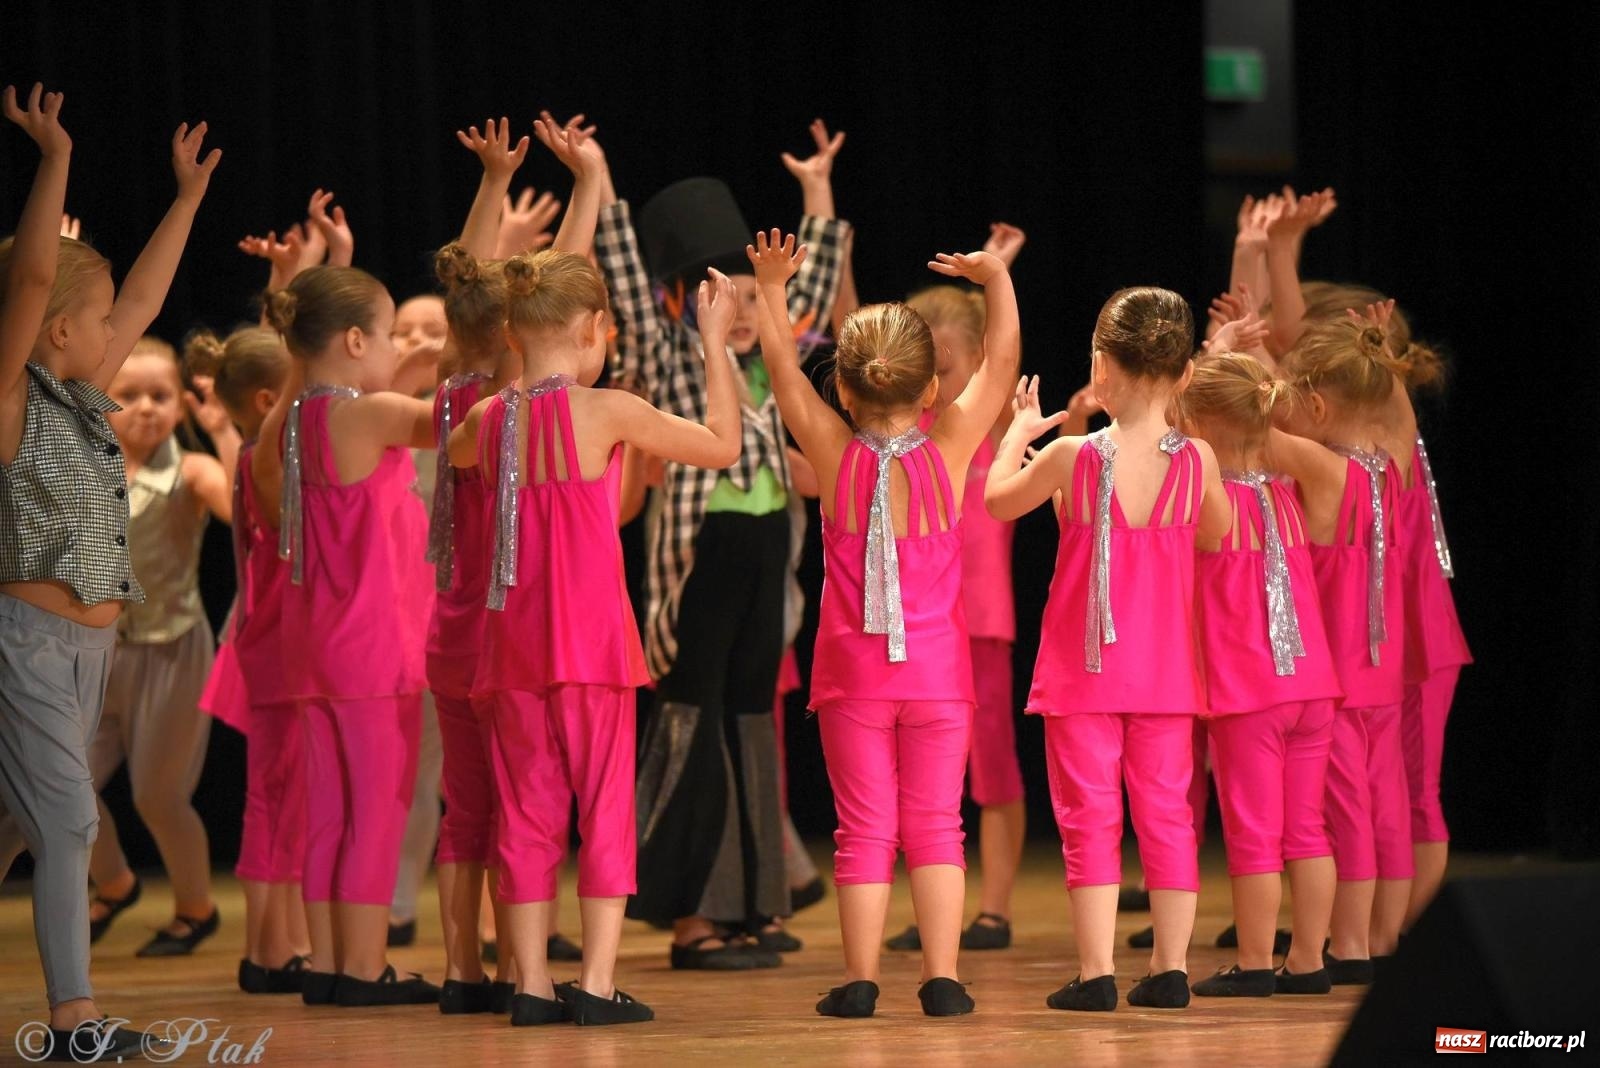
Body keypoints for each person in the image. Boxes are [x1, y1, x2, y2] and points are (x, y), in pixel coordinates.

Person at [448, 244, 741, 1025]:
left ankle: (533, 987)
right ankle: (598, 985)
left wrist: (512, 389)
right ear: (594, 329)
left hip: (509, 653)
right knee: (603, 810)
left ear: (513, 331)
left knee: (524, 817)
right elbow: (723, 444)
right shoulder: (606, 410)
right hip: (590, 648)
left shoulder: (484, 421)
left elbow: (452, 452)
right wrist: (711, 342)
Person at [594, 120, 849, 969]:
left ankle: (753, 903)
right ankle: (693, 914)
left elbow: (800, 289)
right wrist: (598, 175)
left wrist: (817, 195)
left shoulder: (772, 366)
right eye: (722, 294)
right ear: (688, 300)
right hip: (701, 566)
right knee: (694, 723)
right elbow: (629, 288)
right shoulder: (673, 359)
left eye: (748, 295)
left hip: (766, 558)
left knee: (749, 725)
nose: (741, 309)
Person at [750, 230, 1019, 1017]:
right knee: (938, 826)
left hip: (853, 676)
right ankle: (943, 979)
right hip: (939, 673)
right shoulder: (956, 446)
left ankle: (862, 980)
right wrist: (997, 279)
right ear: (932, 389)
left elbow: (778, 377)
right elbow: (1001, 365)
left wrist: (771, 291)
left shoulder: (833, 452)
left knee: (862, 830)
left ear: (845, 392)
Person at [0, 83, 216, 1060]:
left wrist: (186, 200)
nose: (112, 333)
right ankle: (75, 1023)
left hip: (93, 651)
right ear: (50, 330)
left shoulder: (86, 402)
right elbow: (39, 272)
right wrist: (55, 161)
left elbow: (143, 296)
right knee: (71, 820)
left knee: (19, 821)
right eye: (92, 321)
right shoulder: (10, 400)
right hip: (31, 648)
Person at [986, 287, 1230, 1012]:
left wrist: (1015, 433)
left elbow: (998, 501)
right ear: (1185, 374)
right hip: (1164, 674)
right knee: (1167, 816)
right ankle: (1171, 967)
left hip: (1083, 674)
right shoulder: (1199, 461)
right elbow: (1216, 533)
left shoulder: (1072, 455)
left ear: (1100, 366)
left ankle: (1095, 972)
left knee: (1089, 816)